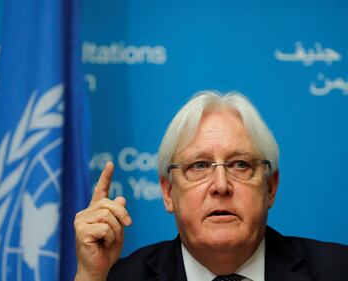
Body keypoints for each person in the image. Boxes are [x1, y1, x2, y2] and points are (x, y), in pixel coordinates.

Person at [74, 91, 348, 281]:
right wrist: (91, 276)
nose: (220, 185)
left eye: (240, 164)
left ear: (271, 186)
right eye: (200, 166)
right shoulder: (119, 278)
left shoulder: (338, 270)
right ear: (168, 192)